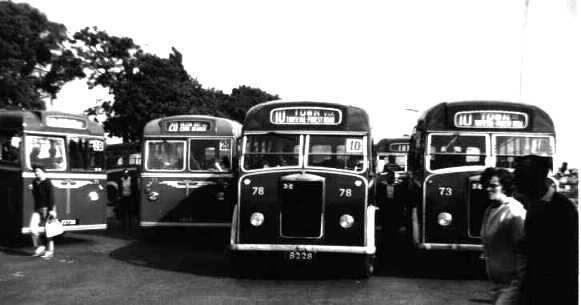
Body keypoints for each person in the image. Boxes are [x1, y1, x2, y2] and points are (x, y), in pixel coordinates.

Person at [513, 155, 578, 305]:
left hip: (553, 290)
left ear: (535, 179)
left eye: (520, 177)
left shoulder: (562, 208)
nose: (515, 183)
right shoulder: (535, 205)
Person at [480, 167, 526, 305]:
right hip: (496, 283)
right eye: (486, 186)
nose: (488, 189)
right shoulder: (491, 209)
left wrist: (522, 281)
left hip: (513, 284)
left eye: (493, 186)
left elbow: (523, 248)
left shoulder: (514, 211)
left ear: (505, 187)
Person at [29, 165, 56, 259]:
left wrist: (52, 210)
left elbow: (51, 197)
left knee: (48, 230)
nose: (36, 173)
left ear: (43, 172)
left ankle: (50, 251)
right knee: (32, 228)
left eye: (38, 171)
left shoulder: (47, 182)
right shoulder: (34, 182)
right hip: (37, 209)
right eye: (35, 172)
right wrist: (32, 189)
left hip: (46, 209)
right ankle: (40, 247)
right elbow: (36, 197)